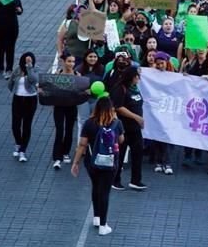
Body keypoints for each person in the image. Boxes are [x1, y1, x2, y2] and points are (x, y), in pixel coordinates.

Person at [71, 96, 125, 236]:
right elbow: (121, 140)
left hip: (92, 162)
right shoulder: (117, 123)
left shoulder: (89, 123)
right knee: (105, 192)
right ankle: (103, 224)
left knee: (96, 187)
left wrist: (75, 162)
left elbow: (82, 144)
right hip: (110, 163)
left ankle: (96, 217)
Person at [111, 65, 146, 191]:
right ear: (131, 76)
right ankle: (115, 180)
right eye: (137, 76)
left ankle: (136, 180)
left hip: (135, 129)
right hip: (123, 128)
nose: (139, 78)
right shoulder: (120, 89)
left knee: (138, 153)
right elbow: (119, 107)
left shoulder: (135, 89)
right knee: (119, 154)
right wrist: (136, 117)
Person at [8, 51, 39, 162]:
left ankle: (23, 150)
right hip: (18, 99)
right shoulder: (17, 70)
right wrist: (14, 90)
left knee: (26, 124)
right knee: (15, 125)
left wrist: (29, 67)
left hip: (30, 99)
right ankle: (18, 143)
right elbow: (10, 82)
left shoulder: (35, 69)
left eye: (30, 60)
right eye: (26, 60)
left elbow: (33, 79)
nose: (27, 61)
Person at [52, 53, 79, 168]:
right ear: (63, 62)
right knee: (59, 131)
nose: (71, 64)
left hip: (71, 106)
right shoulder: (57, 74)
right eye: (69, 61)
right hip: (59, 106)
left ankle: (66, 152)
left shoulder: (77, 75)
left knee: (69, 130)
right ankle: (57, 157)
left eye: (73, 62)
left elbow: (80, 90)